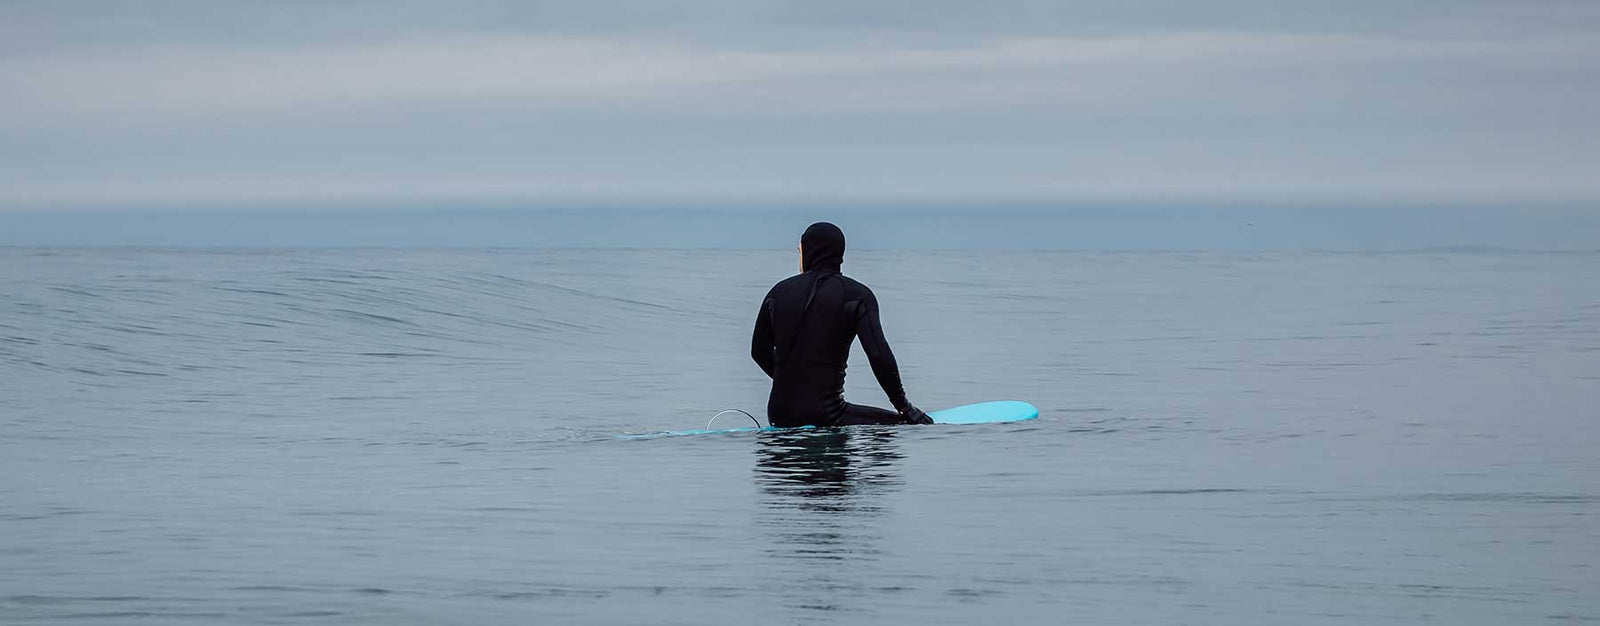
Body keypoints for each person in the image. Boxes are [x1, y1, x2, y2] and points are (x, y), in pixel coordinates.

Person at [751, 222, 933, 428]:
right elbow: (878, 355)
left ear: (811, 251)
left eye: (800, 251)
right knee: (901, 426)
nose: (799, 257)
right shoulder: (856, 295)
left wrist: (793, 384)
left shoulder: (777, 292)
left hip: (779, 415)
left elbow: (758, 351)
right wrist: (905, 408)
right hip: (827, 416)